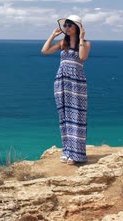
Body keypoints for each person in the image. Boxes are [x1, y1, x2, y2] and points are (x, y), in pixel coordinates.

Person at [41, 15, 91, 165]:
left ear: (77, 27)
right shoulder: (63, 42)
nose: (67, 28)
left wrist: (81, 39)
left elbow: (82, 56)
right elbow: (45, 51)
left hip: (77, 83)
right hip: (61, 81)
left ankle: (77, 155)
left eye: (70, 25)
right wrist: (52, 35)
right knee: (64, 116)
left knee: (77, 116)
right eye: (66, 25)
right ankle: (67, 151)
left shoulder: (86, 43)